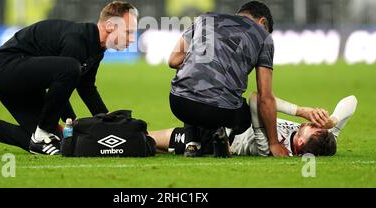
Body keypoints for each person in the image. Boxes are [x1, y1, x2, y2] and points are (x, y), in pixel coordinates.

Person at [0, 1, 138, 156]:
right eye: (128, 32)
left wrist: (107, 120)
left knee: (58, 143)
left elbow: (87, 87)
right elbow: (64, 82)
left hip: (25, 81)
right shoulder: (77, 40)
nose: (131, 39)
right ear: (109, 26)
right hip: (6, 69)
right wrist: (72, 121)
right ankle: (43, 131)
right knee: (70, 70)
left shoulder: (97, 49)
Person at [168, 1, 289, 157]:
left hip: (179, 105)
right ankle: (220, 140)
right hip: (222, 112)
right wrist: (273, 143)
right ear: (263, 22)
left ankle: (192, 143)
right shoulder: (263, 37)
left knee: (192, 80)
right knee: (244, 116)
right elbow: (265, 97)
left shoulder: (205, 18)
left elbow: (174, 61)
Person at [151, 94, 357, 157]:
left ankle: (122, 140)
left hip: (215, 138)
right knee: (157, 145)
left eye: (314, 127)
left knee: (151, 141)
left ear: (300, 142)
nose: (313, 122)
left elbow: (256, 100)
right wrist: (333, 121)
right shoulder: (323, 140)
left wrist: (299, 110)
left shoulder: (271, 149)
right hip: (225, 123)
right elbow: (352, 100)